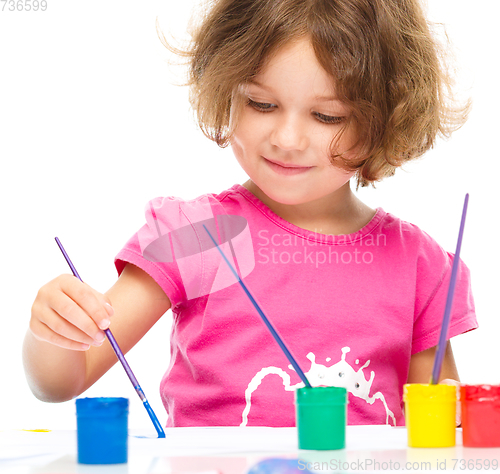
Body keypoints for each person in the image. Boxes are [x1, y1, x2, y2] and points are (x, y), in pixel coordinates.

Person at [23, 0, 477, 427]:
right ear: (226, 90)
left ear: (389, 117)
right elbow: (64, 380)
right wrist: (54, 332)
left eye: (327, 116)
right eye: (261, 104)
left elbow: (436, 426)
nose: (287, 138)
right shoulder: (199, 235)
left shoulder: (419, 266)